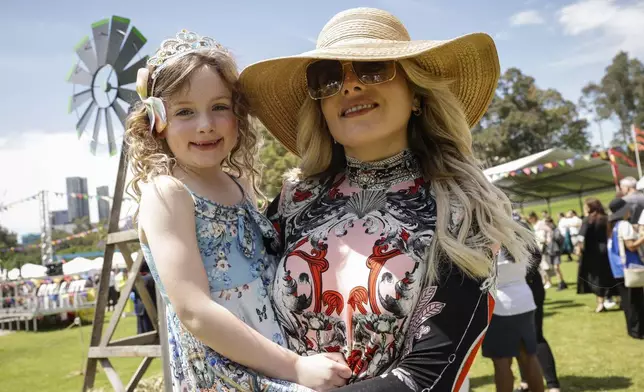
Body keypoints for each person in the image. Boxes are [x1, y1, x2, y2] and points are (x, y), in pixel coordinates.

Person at [240, 7, 533, 391]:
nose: (350, 86)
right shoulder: (293, 202)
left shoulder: (460, 209)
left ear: (416, 93)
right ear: (321, 109)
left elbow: (427, 377)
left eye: (373, 67)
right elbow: (235, 301)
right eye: (328, 78)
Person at [126, 29, 351, 391]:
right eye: (185, 111)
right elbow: (195, 310)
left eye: (219, 107)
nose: (205, 125)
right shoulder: (167, 193)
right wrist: (294, 367)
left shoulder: (237, 183)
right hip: (226, 369)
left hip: (272, 348)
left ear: (238, 115)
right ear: (157, 122)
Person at [482, 245, 544, 392]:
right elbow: (536, 256)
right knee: (528, 356)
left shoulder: (486, 238)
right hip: (524, 299)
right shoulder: (517, 235)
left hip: (500, 306)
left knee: (501, 361)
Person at [606, 198, 644, 339]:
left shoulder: (613, 226)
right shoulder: (624, 225)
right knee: (636, 301)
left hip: (618, 269)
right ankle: (638, 330)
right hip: (630, 268)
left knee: (628, 302)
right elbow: (631, 246)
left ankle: (632, 330)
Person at [576, 198, 619, 312]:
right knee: (611, 275)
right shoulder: (607, 218)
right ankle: (619, 299)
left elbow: (581, 236)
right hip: (608, 251)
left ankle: (600, 303)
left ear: (590, 207)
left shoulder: (588, 220)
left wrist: (578, 249)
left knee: (596, 278)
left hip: (593, 253)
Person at [544, 218, 567, 290]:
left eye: (548, 223)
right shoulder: (547, 231)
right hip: (549, 251)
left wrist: (552, 236)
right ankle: (562, 282)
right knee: (555, 269)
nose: (547, 225)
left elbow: (560, 239)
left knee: (556, 268)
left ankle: (561, 283)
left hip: (556, 251)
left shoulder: (556, 230)